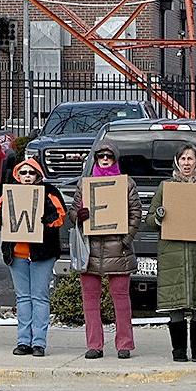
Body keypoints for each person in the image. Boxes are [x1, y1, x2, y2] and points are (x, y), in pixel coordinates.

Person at [146, 143, 196, 362]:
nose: (186, 163)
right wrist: (159, 216)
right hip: (172, 254)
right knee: (176, 305)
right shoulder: (167, 187)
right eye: (183, 159)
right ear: (176, 162)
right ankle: (178, 351)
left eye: (190, 159)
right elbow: (149, 220)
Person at [69, 143, 142, 359]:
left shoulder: (126, 183)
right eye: (100, 156)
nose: (104, 159)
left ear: (115, 158)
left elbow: (136, 213)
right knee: (90, 300)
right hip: (90, 250)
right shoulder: (85, 184)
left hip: (117, 249)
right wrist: (78, 216)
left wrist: (126, 239)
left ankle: (124, 344)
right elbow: (72, 212)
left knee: (121, 299)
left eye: (109, 155)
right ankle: (94, 345)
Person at [0, 158, 66, 357]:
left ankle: (39, 343)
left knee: (40, 297)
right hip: (16, 255)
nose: (27, 176)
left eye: (31, 173)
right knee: (23, 298)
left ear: (38, 175)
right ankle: (23, 341)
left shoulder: (48, 192)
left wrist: (43, 220)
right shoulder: (9, 193)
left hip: (42, 255)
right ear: (18, 175)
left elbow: (60, 216)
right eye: (23, 173)